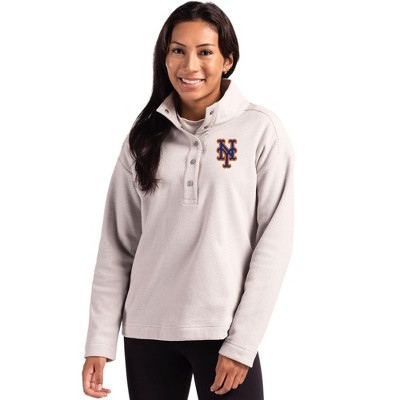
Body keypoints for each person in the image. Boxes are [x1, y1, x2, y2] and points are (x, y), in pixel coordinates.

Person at [82, 1, 294, 399]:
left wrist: (242, 343)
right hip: (147, 331)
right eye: (178, 50)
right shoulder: (143, 137)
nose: (189, 65)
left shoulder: (259, 130)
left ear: (228, 60)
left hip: (222, 331)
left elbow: (275, 242)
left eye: (205, 51)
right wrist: (99, 340)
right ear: (164, 58)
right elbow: (117, 244)